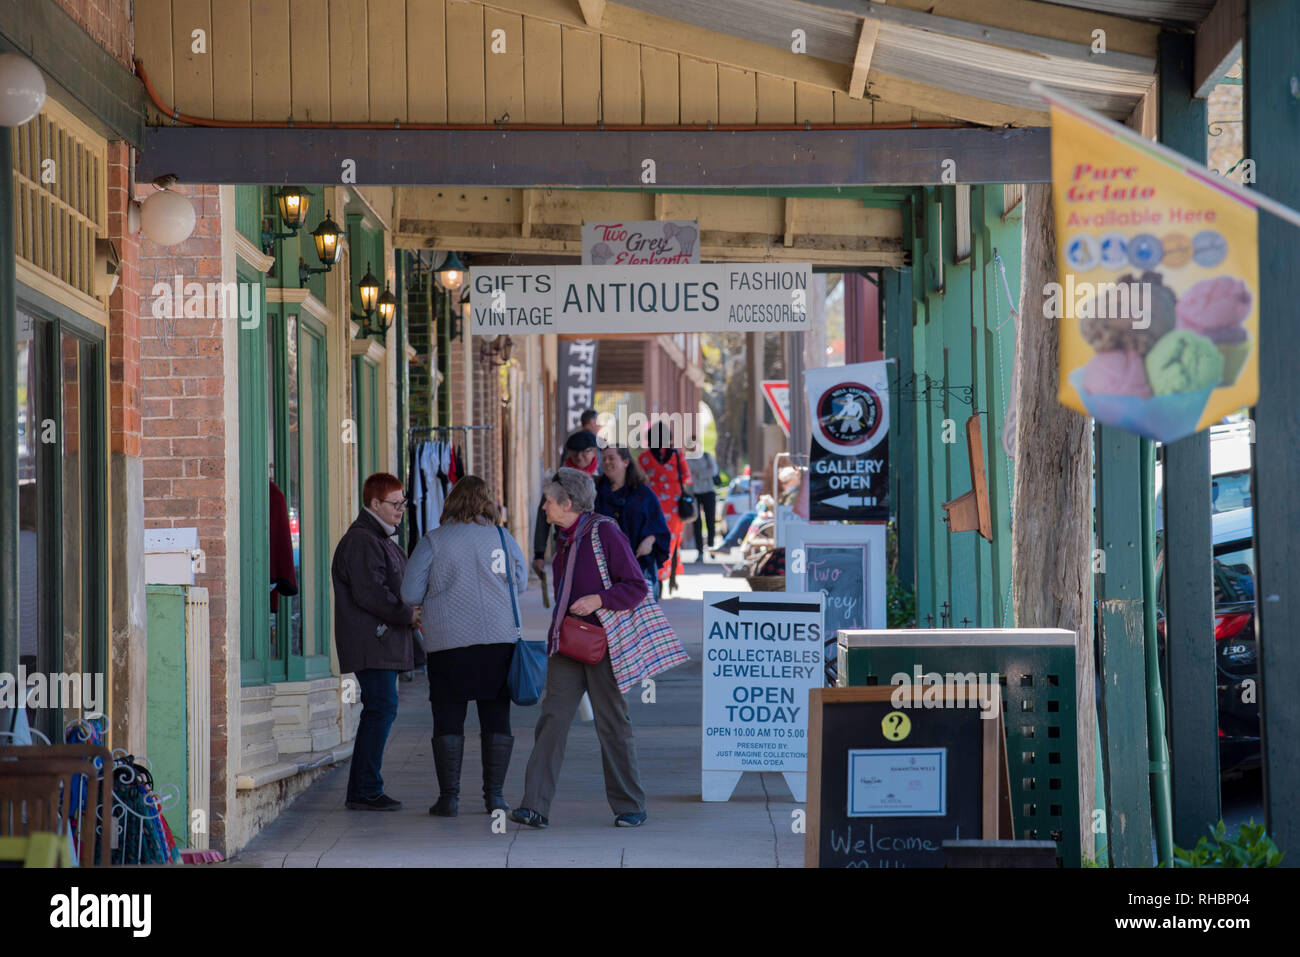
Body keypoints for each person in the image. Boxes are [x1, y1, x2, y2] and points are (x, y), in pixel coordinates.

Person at [512, 468, 651, 829]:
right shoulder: (564, 538)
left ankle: (630, 805)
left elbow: (636, 585)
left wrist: (598, 600)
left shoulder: (605, 532)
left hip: (603, 644)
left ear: (567, 503)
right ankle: (534, 807)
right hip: (567, 644)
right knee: (552, 721)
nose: (543, 508)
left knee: (612, 723)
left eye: (548, 501)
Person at [400, 476, 527, 817]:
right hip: (499, 641)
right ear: (487, 501)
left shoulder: (434, 542)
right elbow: (522, 582)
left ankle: (449, 799)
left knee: (448, 718)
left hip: (449, 645)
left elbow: (410, 594)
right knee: (496, 717)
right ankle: (495, 797)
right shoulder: (503, 538)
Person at [332, 472, 420, 811]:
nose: (401, 510)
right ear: (374, 504)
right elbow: (372, 594)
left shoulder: (378, 537)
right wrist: (407, 614)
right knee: (382, 708)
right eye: (395, 504)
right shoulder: (362, 541)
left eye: (403, 503)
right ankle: (367, 789)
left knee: (379, 709)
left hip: (379, 642)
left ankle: (361, 790)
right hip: (373, 644)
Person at [595, 447, 670, 600]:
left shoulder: (643, 493)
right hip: (604, 566)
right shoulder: (595, 492)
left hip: (639, 564)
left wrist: (649, 541)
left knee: (642, 614)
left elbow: (660, 527)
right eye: (604, 459)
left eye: (611, 458)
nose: (607, 462)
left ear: (625, 462)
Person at [532, 429, 601, 577]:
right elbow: (543, 516)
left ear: (594, 451)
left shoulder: (604, 478)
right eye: (575, 452)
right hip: (565, 544)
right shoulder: (560, 479)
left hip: (599, 545)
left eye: (585, 452)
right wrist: (539, 553)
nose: (579, 457)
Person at [637, 423, 692, 590]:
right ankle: (671, 576)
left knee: (653, 539)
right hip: (674, 506)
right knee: (673, 541)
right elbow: (687, 478)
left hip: (652, 505)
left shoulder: (644, 457)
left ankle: (658, 577)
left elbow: (639, 481)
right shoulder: (677, 455)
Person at [688, 445, 721, 561]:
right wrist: (703, 472)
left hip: (709, 492)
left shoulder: (706, 456)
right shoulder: (687, 460)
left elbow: (713, 471)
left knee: (710, 521)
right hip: (695, 493)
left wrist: (698, 473)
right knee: (696, 523)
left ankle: (711, 547)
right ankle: (700, 551)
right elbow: (688, 475)